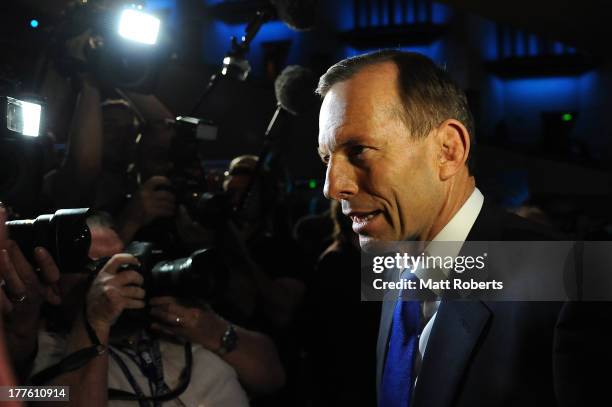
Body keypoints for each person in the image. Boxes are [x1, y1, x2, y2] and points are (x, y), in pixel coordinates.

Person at [316, 50, 570, 406]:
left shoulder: (569, 284)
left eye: (358, 150)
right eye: (328, 158)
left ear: (448, 150)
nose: (332, 186)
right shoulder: (392, 273)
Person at [31, 219, 285, 406]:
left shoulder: (175, 320)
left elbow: (273, 377)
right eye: (99, 268)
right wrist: (95, 321)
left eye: (122, 259)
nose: (120, 276)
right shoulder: (43, 352)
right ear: (54, 289)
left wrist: (213, 330)